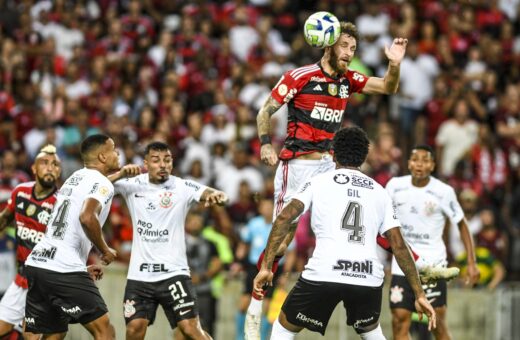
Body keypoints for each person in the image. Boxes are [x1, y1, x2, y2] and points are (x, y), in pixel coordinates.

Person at [247, 19, 409, 338]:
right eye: (344, 46)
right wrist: (266, 144)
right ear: (328, 45)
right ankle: (257, 298)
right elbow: (264, 111)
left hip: (329, 166)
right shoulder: (300, 76)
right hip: (297, 165)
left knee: (360, 218)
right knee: (284, 235)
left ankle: (413, 259)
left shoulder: (349, 80)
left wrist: (394, 66)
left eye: (353, 48)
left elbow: (388, 87)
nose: (349, 53)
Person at [254, 127, 436, 340]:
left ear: (333, 153)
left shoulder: (318, 181)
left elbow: (284, 218)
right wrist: (419, 293)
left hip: (324, 273)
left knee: (283, 329)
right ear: (364, 156)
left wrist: (266, 266)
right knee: (371, 331)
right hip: (367, 277)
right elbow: (398, 244)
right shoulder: (380, 191)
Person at [109, 141, 228, 340]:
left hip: (174, 274)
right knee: (134, 330)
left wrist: (218, 196)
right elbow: (96, 185)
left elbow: (212, 193)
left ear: (172, 163)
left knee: (190, 329)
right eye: (156, 160)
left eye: (167, 160)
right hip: (140, 277)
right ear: (146, 163)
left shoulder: (182, 186)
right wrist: (120, 173)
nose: (162, 164)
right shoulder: (132, 184)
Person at [23, 134, 134, 339]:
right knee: (105, 330)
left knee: (54, 333)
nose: (117, 153)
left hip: (38, 264)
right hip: (63, 269)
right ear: (102, 157)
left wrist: (80, 267)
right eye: (113, 149)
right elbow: (87, 217)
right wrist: (105, 250)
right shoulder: (102, 184)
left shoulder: (74, 178)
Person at [386, 145, 480, 340]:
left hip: (433, 264)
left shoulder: (443, 191)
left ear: (432, 165)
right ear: (409, 163)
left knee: (436, 321)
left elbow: (462, 224)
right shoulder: (394, 185)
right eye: (415, 159)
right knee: (399, 319)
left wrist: (472, 262)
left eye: (425, 160)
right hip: (403, 263)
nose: (420, 164)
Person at [0, 145, 61, 339]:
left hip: (44, 284)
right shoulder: (20, 192)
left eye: (55, 164)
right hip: (20, 279)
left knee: (31, 337)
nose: (50, 168)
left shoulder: (61, 204)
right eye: (44, 163)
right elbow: (4, 219)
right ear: (34, 168)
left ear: (59, 171)